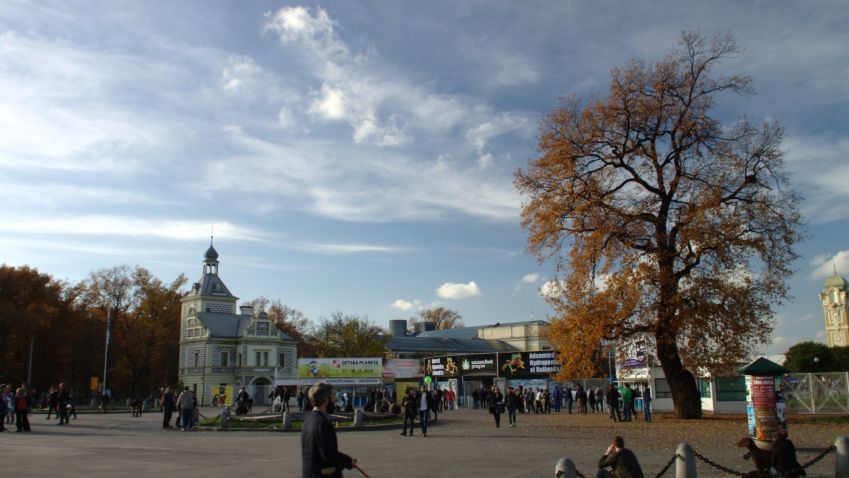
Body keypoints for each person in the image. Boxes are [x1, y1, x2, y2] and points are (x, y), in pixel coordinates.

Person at [301, 383, 355, 478]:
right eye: (333, 396)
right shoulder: (323, 423)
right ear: (326, 400)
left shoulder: (307, 420)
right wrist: (348, 461)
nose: (335, 400)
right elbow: (329, 455)